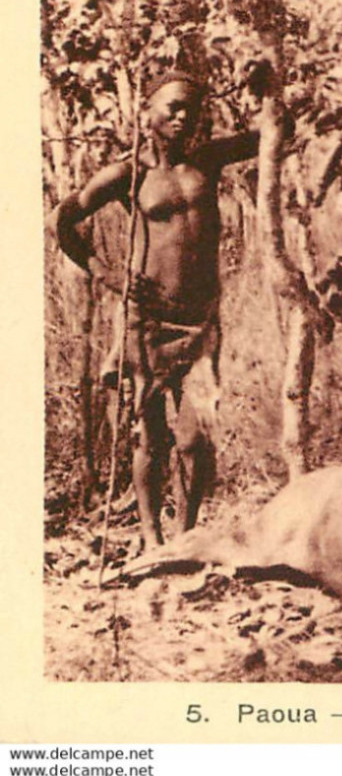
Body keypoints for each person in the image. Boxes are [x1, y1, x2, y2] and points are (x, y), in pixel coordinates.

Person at [54, 69, 265, 551]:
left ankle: (185, 538)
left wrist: (265, 85)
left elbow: (278, 132)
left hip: (200, 322)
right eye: (171, 106)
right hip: (145, 324)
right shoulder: (130, 174)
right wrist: (108, 275)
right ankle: (152, 542)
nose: (181, 115)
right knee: (150, 437)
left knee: (196, 437)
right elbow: (63, 221)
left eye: (190, 107)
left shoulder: (208, 161)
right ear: (146, 112)